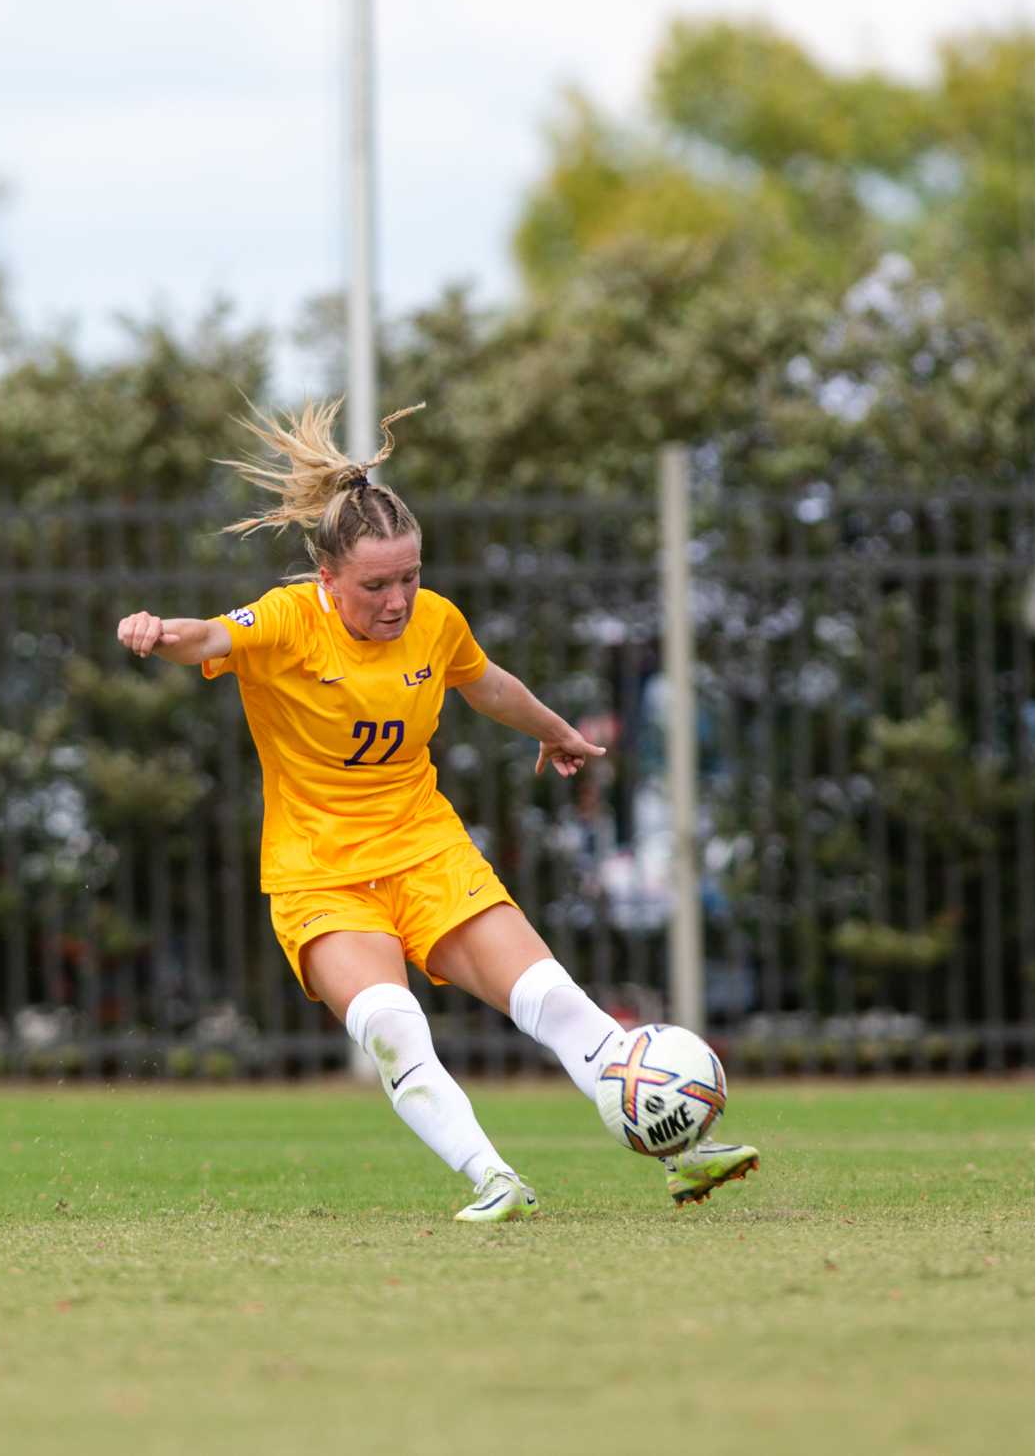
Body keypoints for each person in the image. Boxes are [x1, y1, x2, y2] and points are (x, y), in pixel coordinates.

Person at [115, 401, 757, 1221]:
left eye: (410, 577)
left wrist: (556, 729)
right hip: (322, 877)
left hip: (427, 852)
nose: (397, 600)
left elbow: (484, 681)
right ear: (327, 579)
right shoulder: (284, 623)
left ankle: (682, 1151)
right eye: (375, 585)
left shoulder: (435, 621)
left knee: (556, 999)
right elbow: (206, 639)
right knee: (394, 1027)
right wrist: (155, 631)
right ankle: (495, 1177)